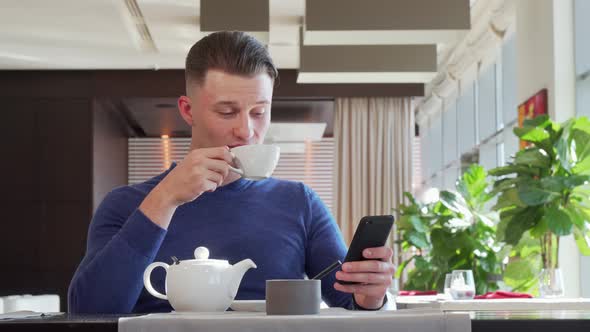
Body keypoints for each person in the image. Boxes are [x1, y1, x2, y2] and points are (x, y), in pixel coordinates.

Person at [68, 31, 395, 314]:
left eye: (259, 112)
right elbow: (88, 312)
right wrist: (165, 199)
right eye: (227, 112)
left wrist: (371, 295)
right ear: (188, 110)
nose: (246, 130)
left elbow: (350, 303)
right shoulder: (127, 204)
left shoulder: (300, 203)